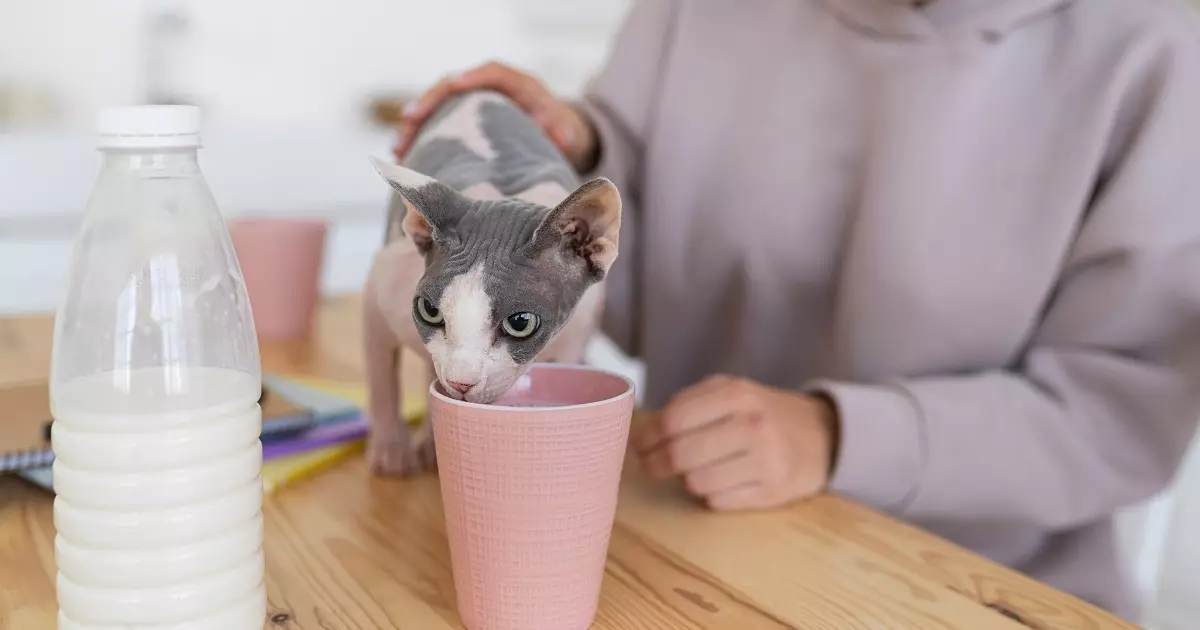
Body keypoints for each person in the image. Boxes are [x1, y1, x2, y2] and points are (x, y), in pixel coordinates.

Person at [392, 0, 1200, 620]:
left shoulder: (1154, 52)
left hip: (979, 594)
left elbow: (1118, 416)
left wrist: (839, 434)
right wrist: (566, 157)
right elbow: (607, 271)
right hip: (681, 553)